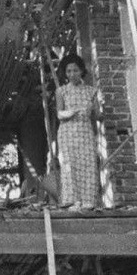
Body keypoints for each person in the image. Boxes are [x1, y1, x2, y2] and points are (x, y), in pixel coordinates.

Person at [54, 53, 99, 208]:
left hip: (85, 132)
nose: (72, 74)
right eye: (68, 71)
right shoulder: (61, 91)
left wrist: (96, 107)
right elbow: (59, 114)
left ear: (81, 71)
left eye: (75, 70)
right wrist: (72, 112)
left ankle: (88, 202)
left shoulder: (92, 91)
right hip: (67, 133)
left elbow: (98, 116)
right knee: (69, 166)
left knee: (88, 165)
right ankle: (72, 202)